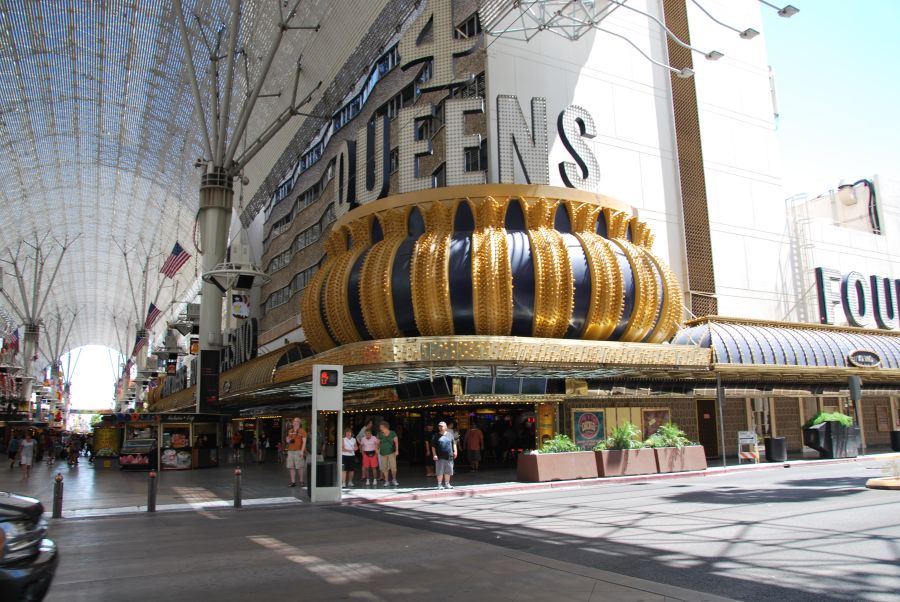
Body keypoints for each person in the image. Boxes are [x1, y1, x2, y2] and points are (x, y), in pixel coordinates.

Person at [431, 421, 457, 489]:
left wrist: (455, 451)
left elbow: (453, 443)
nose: (440, 427)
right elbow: (433, 446)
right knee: (439, 471)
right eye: (439, 426)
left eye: (442, 426)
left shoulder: (450, 434)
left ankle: (447, 484)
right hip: (440, 456)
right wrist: (434, 454)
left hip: (449, 456)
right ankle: (439, 484)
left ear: (445, 427)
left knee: (448, 470)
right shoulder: (436, 436)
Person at [284, 417, 307, 487]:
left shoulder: (302, 431)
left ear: (299, 423)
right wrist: (287, 440)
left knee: (299, 467)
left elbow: (304, 442)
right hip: (290, 451)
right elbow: (288, 440)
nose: (295, 422)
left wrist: (302, 451)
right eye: (294, 421)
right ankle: (293, 482)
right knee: (291, 467)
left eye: (297, 421)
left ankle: (301, 481)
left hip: (298, 451)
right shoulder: (290, 431)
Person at [377, 421, 399, 487]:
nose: (380, 427)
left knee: (393, 467)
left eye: (380, 426)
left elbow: (396, 442)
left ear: (384, 426)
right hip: (383, 453)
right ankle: (386, 481)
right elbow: (377, 443)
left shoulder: (392, 433)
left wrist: (397, 450)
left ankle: (394, 480)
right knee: (384, 468)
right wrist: (376, 449)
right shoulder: (379, 434)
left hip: (391, 452)